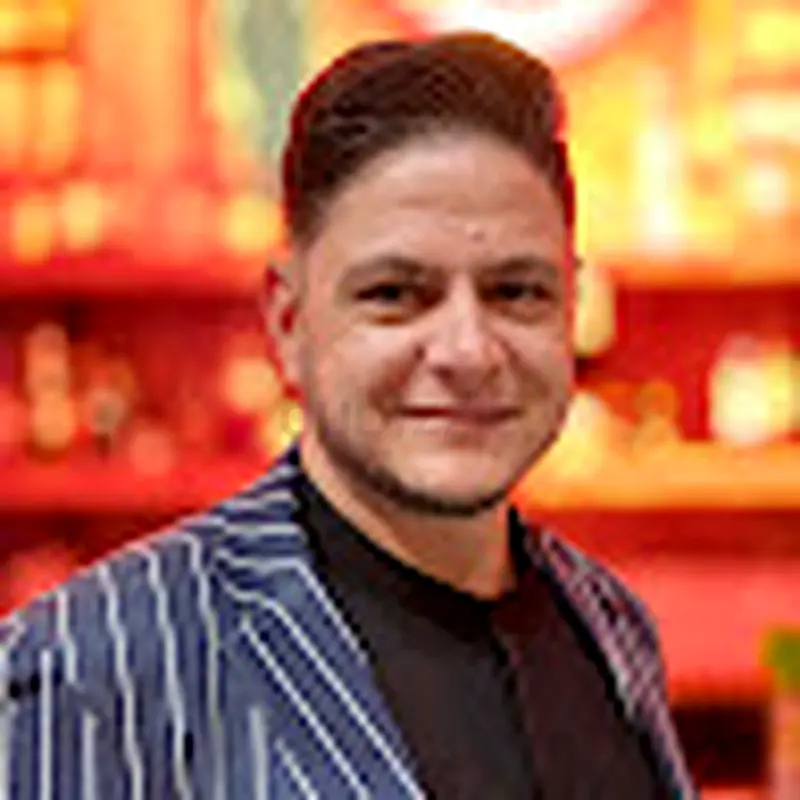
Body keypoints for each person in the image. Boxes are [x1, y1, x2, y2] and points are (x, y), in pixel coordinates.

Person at [0, 32, 697, 799]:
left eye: (516, 292)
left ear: (571, 311)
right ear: (289, 323)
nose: (467, 350)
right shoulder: (88, 670)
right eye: (395, 294)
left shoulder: (608, 624)